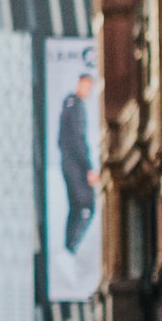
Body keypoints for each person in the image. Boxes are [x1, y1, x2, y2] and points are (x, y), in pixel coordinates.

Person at [59, 72, 99, 253]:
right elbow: (77, 139)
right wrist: (88, 168)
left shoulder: (71, 105)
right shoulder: (75, 106)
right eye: (86, 85)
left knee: (76, 206)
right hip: (75, 165)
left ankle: (70, 244)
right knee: (86, 204)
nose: (87, 90)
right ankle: (72, 245)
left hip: (70, 164)